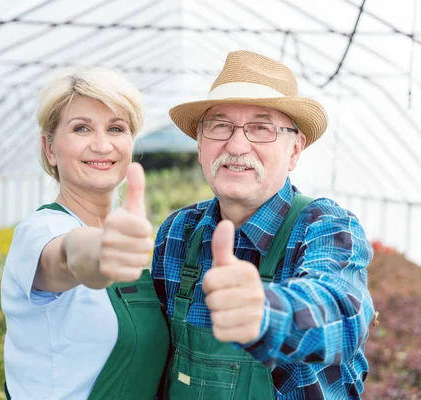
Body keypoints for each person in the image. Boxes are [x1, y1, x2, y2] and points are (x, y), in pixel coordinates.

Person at [151, 50, 376, 399]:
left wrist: (263, 312)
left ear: (295, 150)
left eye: (261, 128)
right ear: (200, 144)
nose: (237, 145)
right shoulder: (178, 232)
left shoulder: (325, 226)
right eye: (220, 125)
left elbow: (344, 314)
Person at [0, 67, 169, 399]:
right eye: (81, 128)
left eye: (116, 128)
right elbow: (67, 258)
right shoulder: (39, 232)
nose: (102, 145)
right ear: (49, 148)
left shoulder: (127, 234)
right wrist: (101, 250)